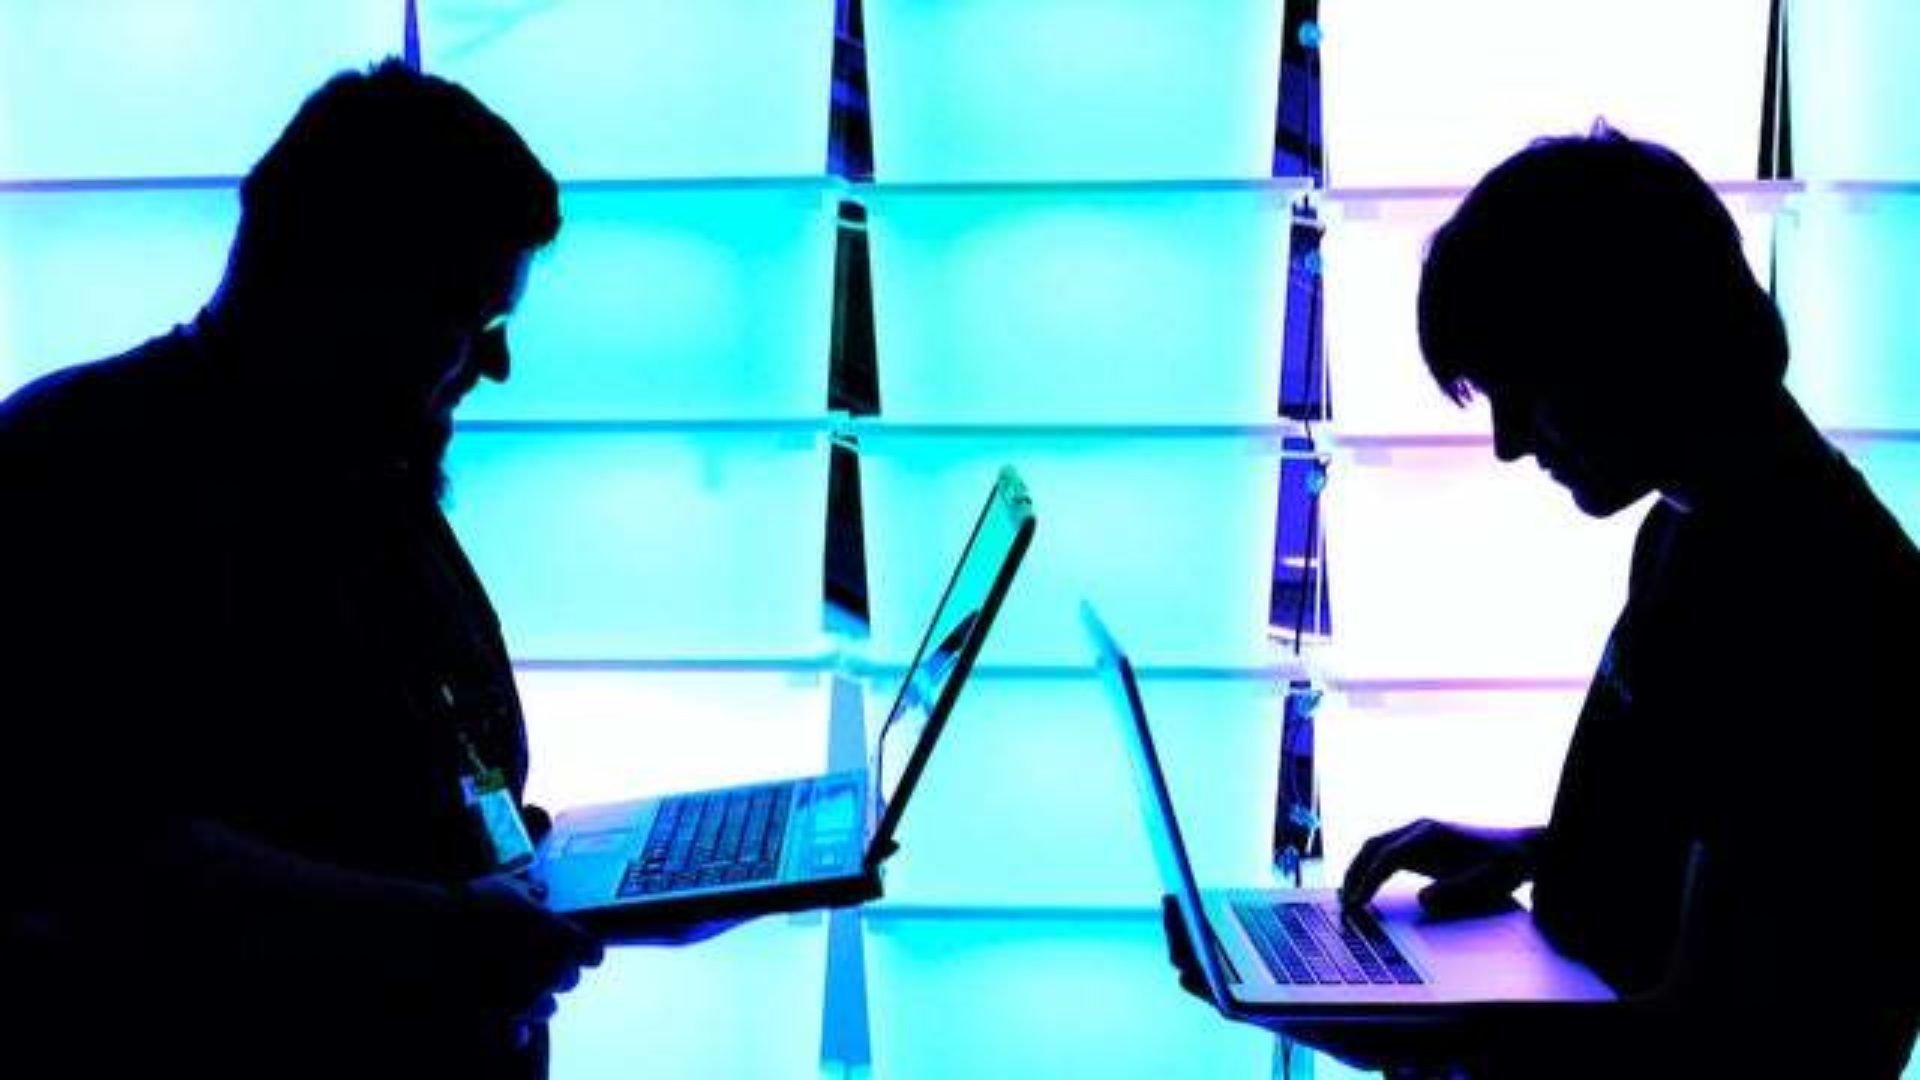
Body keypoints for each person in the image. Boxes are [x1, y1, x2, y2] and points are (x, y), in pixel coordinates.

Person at [0, 60, 722, 1078]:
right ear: (347, 292)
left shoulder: (359, 470)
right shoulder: (74, 472)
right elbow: (94, 855)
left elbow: (397, 788)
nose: (495, 365)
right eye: (474, 320)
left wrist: (554, 882)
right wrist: (442, 933)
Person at [1166, 130, 1918, 1077]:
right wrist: (1542, 853)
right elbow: (1743, 858)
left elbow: (1723, 1046)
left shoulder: (1818, 603)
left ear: (1637, 348)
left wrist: (1410, 1035)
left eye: (1529, 392)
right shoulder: (1704, 531)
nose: (1511, 444)